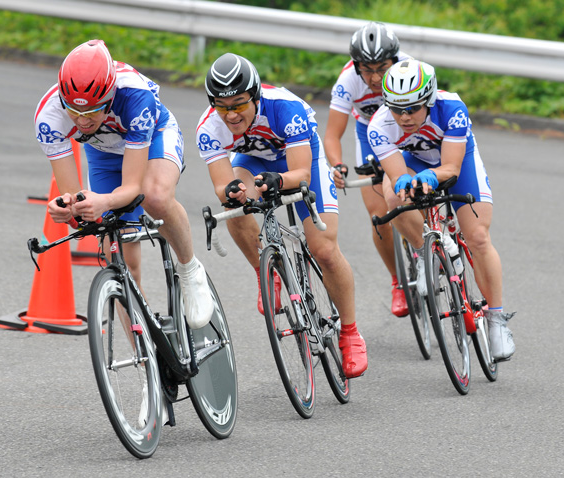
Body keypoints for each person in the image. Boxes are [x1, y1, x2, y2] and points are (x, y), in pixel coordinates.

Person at [196, 53, 367, 378]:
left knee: (325, 251)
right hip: (254, 162)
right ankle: (268, 272)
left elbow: (300, 173)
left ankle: (350, 332)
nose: (231, 114)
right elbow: (222, 184)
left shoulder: (285, 107)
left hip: (302, 162)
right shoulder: (209, 127)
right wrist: (233, 192)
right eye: (222, 105)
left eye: (239, 104)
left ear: (255, 96)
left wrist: (280, 181)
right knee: (235, 205)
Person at [34, 39, 214, 330]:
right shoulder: (49, 116)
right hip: (103, 151)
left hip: (152, 136)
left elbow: (133, 190)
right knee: (117, 260)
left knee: (154, 197)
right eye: (74, 111)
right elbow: (76, 205)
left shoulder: (134, 95)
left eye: (92, 110)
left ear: (109, 96)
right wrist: (68, 211)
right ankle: (149, 363)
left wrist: (104, 202)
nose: (82, 120)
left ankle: (190, 268)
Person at [367, 58, 515, 361]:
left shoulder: (452, 108)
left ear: (429, 100)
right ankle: (425, 252)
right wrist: (405, 182)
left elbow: (452, 167)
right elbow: (397, 176)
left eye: (412, 108)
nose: (404, 117)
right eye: (397, 109)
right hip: (414, 162)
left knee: (477, 237)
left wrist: (434, 176)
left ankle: (497, 319)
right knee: (392, 197)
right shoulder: (378, 127)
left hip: (454, 161)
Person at [324, 22, 412, 318]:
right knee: (379, 218)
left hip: (409, 134)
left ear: (395, 60)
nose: (374, 77)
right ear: (356, 65)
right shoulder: (348, 79)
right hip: (370, 136)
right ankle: (399, 281)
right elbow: (332, 135)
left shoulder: (409, 70)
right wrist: (337, 165)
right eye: (367, 69)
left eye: (382, 68)